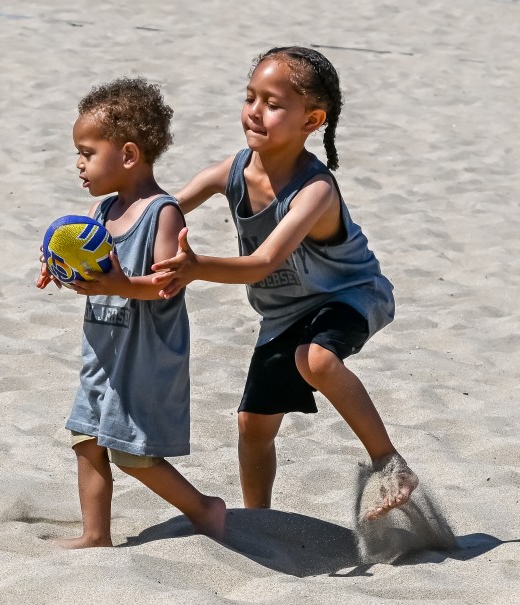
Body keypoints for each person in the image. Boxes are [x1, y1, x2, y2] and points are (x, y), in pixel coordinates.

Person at [151, 46, 418, 521]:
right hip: (284, 313)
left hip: (350, 294)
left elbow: (262, 262)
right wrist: (101, 237)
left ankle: (389, 463)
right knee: (253, 424)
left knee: (315, 359)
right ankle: (261, 520)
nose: (255, 111)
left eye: (273, 104)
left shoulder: (315, 190)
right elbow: (159, 213)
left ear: (312, 120)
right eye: (250, 96)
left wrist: (195, 266)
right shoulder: (230, 172)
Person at [36, 77, 226, 548]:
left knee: (131, 454)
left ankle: (205, 509)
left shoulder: (162, 213)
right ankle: (95, 534)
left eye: (86, 152)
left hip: (145, 355)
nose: (78, 165)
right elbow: (83, 259)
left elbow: (167, 283)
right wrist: (57, 266)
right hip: (102, 349)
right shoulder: (101, 213)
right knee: (85, 439)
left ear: (127, 155)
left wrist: (122, 285)